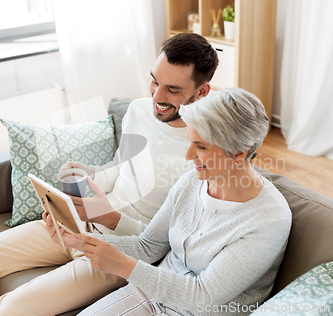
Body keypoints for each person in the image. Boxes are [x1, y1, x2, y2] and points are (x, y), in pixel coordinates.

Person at [0, 33, 219, 316]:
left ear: (202, 91)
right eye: (154, 81)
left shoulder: (204, 155)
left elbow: (166, 245)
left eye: (172, 90)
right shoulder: (139, 110)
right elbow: (123, 165)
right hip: (81, 224)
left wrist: (108, 217)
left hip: (122, 251)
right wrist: (91, 174)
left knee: (13, 308)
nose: (156, 96)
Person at [46, 88, 292, 316]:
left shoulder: (269, 219)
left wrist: (125, 266)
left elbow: (202, 296)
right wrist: (77, 240)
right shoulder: (191, 182)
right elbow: (147, 246)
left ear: (239, 153)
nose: (188, 156)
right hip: (148, 293)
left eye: (201, 147)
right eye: (190, 142)